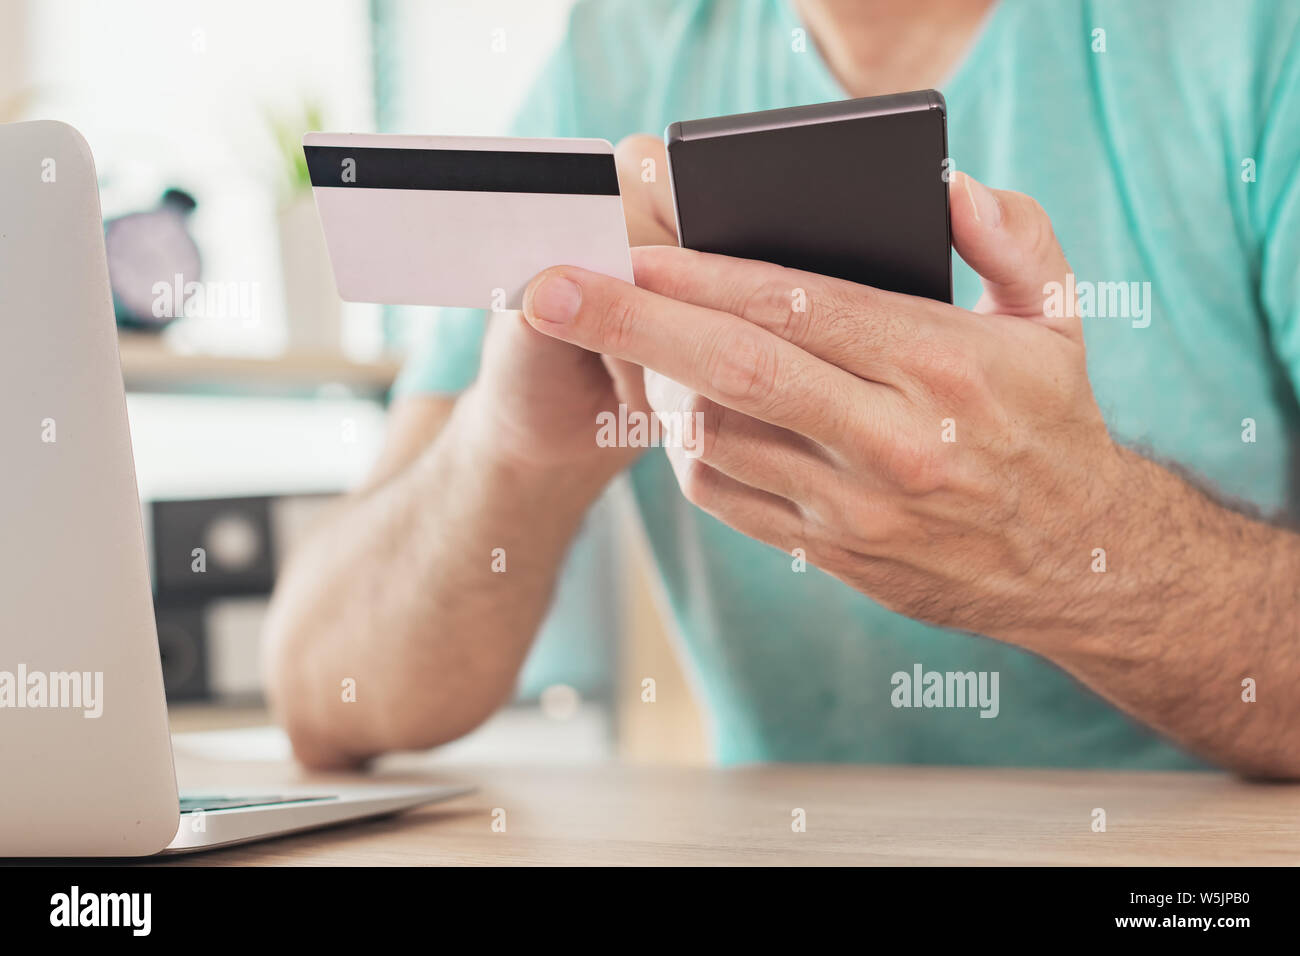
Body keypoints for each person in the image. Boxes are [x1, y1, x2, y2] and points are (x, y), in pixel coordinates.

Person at [264, 0, 1300, 775]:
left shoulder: (1247, 42)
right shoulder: (619, 53)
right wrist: (510, 453)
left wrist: (1072, 546)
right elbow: (323, 687)